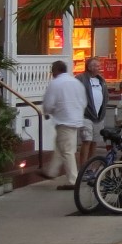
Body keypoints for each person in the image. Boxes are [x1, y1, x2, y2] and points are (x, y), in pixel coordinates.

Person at [42, 60, 87, 189]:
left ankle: (73, 180)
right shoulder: (76, 83)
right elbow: (83, 101)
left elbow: (49, 103)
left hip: (64, 119)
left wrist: (47, 111)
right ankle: (52, 171)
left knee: (67, 150)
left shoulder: (56, 83)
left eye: (52, 70)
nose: (52, 73)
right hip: (75, 119)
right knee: (61, 145)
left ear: (56, 70)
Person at [78, 58, 109, 168]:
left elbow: (105, 95)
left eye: (99, 65)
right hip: (86, 115)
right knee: (87, 140)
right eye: (96, 66)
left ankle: (89, 167)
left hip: (98, 116)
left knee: (94, 142)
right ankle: (82, 168)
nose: (99, 68)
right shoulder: (81, 78)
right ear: (89, 67)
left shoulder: (101, 80)